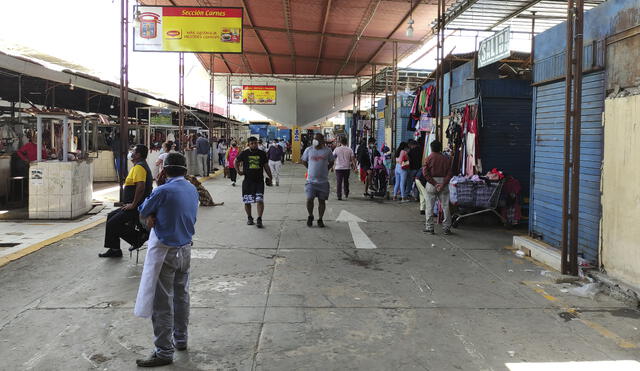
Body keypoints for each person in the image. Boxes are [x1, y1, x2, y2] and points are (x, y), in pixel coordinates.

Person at [134, 153, 199, 367]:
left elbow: (143, 211)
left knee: (162, 303)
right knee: (182, 296)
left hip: (166, 252)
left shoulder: (163, 191)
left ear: (164, 170)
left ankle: (163, 351)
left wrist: (152, 214)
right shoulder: (191, 188)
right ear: (185, 169)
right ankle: (180, 338)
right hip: (185, 250)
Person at [100, 144, 153, 258]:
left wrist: (133, 204)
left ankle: (138, 238)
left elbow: (141, 187)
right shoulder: (138, 166)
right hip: (131, 204)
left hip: (136, 206)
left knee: (113, 224)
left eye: (133, 151)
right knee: (111, 216)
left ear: (138, 155)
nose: (131, 153)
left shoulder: (140, 167)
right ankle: (114, 249)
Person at [235, 137, 273, 228]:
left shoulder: (262, 154)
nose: (254, 145)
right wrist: (239, 171)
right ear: (248, 144)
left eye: (255, 143)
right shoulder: (244, 153)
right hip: (248, 181)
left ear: (257, 143)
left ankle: (259, 219)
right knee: (247, 201)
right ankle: (249, 218)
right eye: (252, 143)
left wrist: (270, 177)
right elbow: (235, 161)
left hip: (259, 181)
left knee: (260, 200)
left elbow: (266, 166)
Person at [302, 133, 334, 227]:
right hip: (310, 181)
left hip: (323, 182)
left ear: (322, 140)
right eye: (314, 138)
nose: (314, 140)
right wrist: (310, 169)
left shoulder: (327, 151)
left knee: (322, 201)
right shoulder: (308, 150)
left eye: (317, 139)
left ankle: (320, 219)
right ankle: (310, 215)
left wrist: (325, 169)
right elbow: (304, 161)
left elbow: (331, 162)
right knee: (309, 199)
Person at [422, 139, 452, 235]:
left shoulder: (428, 158)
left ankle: (430, 227)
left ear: (431, 148)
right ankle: (446, 228)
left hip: (431, 184)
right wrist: (442, 184)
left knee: (429, 206)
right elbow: (449, 173)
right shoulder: (446, 159)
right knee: (445, 206)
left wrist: (435, 183)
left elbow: (425, 173)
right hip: (444, 182)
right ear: (440, 148)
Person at [332, 136, 356, 201]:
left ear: (340, 142)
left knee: (339, 182)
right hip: (347, 168)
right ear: (346, 142)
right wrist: (355, 168)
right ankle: (346, 193)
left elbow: (332, 158)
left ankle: (339, 196)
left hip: (338, 168)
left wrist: (332, 166)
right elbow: (353, 159)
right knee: (346, 181)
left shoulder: (336, 149)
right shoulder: (350, 149)